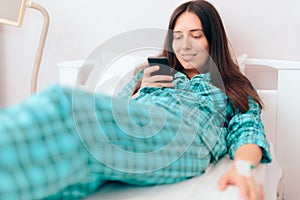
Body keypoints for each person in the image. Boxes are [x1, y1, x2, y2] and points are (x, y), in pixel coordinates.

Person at [0, 0, 271, 200]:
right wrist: (141, 90)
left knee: (63, 107)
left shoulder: (231, 88)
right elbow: (114, 110)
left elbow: (248, 130)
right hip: (138, 124)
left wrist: (244, 169)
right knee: (69, 175)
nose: (185, 45)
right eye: (177, 37)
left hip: (186, 134)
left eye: (196, 36)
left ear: (213, 40)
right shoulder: (150, 73)